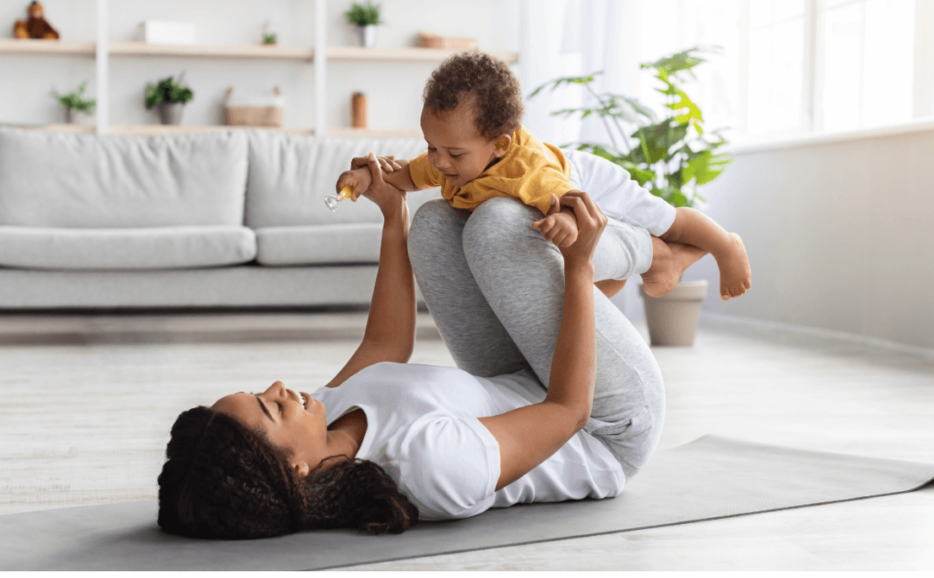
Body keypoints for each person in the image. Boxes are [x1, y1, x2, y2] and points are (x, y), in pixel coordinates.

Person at [158, 152, 671, 539]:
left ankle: (616, 274)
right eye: (271, 408)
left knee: (432, 227)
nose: (277, 386)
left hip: (524, 380)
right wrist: (578, 268)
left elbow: (386, 342)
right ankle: (661, 252)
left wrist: (392, 213)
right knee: (496, 228)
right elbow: (568, 410)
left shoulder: (327, 417)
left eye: (259, 391)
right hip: (608, 427)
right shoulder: (428, 466)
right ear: (294, 470)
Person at [335, 51, 751, 301]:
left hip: (584, 178)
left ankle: (723, 244)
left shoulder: (526, 171)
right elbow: (408, 177)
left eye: (453, 153)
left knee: (663, 218)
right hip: (556, 184)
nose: (439, 163)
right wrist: (372, 177)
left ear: (499, 144)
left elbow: (570, 199)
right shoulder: (449, 160)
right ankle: (649, 269)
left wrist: (565, 219)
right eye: (431, 147)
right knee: (576, 294)